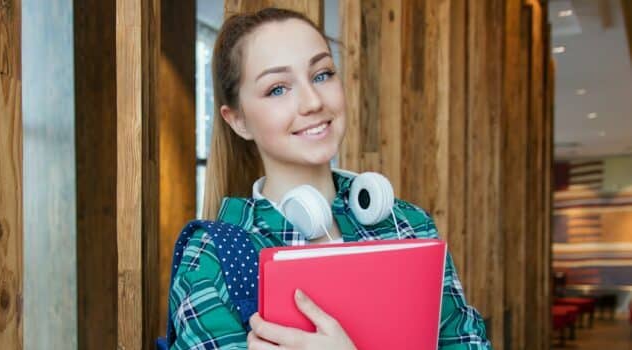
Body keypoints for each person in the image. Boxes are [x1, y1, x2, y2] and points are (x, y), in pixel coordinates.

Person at [166, 7, 491, 349]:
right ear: (238, 121)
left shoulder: (408, 225)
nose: (312, 101)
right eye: (278, 89)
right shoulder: (213, 257)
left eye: (321, 74)